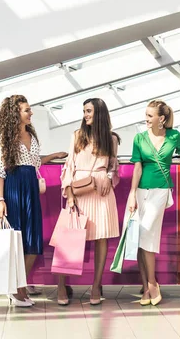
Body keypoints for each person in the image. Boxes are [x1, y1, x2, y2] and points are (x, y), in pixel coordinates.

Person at [0, 94, 67, 307]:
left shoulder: (32, 136)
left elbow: (34, 162)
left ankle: (19, 286)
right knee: (17, 240)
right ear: (15, 113)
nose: (31, 112)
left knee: (33, 240)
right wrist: (1, 200)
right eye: (27, 110)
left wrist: (53, 156)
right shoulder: (5, 140)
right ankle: (17, 289)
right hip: (14, 189)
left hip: (31, 190)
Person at [126, 99, 180, 306]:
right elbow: (137, 168)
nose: (146, 119)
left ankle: (152, 283)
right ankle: (146, 288)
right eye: (145, 115)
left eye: (150, 116)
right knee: (143, 238)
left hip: (160, 191)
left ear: (161, 118)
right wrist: (131, 193)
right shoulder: (139, 138)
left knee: (146, 233)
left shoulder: (174, 135)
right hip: (141, 192)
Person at [57, 98, 121, 306]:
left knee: (101, 239)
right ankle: (61, 285)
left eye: (89, 111)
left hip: (101, 192)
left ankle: (96, 285)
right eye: (84, 111)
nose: (85, 115)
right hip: (79, 190)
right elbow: (69, 166)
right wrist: (70, 193)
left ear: (99, 113)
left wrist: (109, 179)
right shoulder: (77, 135)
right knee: (69, 239)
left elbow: (113, 166)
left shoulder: (110, 139)